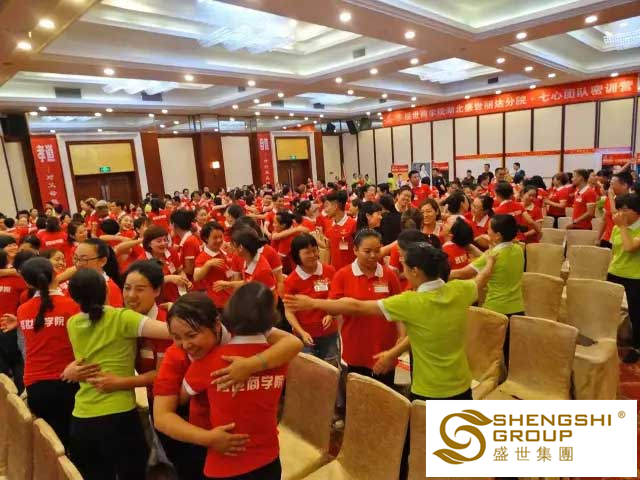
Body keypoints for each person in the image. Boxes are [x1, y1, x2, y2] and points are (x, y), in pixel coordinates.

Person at [285, 241, 495, 400]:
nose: (401, 271)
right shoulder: (460, 289)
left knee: (422, 442)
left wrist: (313, 303)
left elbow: (357, 307)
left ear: (415, 271)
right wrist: (491, 260)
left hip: (430, 390)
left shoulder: (410, 302)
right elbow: (481, 278)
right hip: (461, 383)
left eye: (404, 266)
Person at [161, 290, 301, 480]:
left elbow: (293, 343)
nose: (185, 345)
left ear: (217, 325)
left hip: (238, 456)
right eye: (176, 337)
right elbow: (162, 416)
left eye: (192, 335)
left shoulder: (233, 336)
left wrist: (250, 365)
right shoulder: (175, 357)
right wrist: (207, 438)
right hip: (204, 440)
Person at [66, 268, 175, 480]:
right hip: (118, 416)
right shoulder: (122, 318)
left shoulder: (72, 323)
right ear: (107, 290)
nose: (131, 294)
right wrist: (176, 310)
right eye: (127, 288)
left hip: (81, 417)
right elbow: (173, 332)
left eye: (139, 289)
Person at [0, 257, 82, 446]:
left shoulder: (23, 310)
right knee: (71, 439)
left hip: (36, 386)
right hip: (69, 381)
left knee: (51, 443)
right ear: (55, 274)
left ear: (27, 283)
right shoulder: (72, 307)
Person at [328, 229, 401, 387]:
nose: (373, 256)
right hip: (356, 349)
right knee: (357, 395)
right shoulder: (343, 275)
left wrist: (399, 343)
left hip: (385, 349)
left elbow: (399, 312)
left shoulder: (389, 275)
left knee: (385, 394)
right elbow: (332, 309)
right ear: (355, 250)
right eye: (367, 251)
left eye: (377, 251)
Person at [284, 234, 338, 367]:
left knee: (331, 369)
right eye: (307, 252)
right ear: (297, 255)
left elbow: (336, 298)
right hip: (305, 336)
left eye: (315, 250)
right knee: (309, 371)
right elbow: (289, 312)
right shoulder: (291, 281)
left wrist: (331, 314)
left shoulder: (330, 271)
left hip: (329, 333)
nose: (313, 255)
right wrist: (301, 332)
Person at [607, 193, 640, 363]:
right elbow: (615, 252)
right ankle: (609, 340)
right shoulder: (616, 228)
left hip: (635, 276)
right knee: (608, 309)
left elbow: (629, 248)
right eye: (619, 209)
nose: (620, 213)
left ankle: (636, 347)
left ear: (637, 211)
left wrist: (622, 227)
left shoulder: (624, 227)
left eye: (625, 209)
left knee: (636, 314)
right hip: (615, 272)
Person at [73, 238, 124, 307]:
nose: (78, 264)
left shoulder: (111, 289)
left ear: (102, 261)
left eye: (84, 259)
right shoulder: (76, 281)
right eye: (75, 258)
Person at [324, 190, 357, 270]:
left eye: (327, 206)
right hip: (334, 271)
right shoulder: (328, 224)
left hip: (350, 271)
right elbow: (328, 249)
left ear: (335, 206)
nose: (325, 209)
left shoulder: (353, 224)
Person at [600, 171, 633, 248]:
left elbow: (617, 217)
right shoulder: (609, 198)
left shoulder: (632, 201)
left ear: (624, 185)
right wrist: (599, 238)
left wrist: (611, 198)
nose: (610, 188)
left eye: (612, 184)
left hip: (622, 240)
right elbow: (604, 220)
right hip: (607, 238)